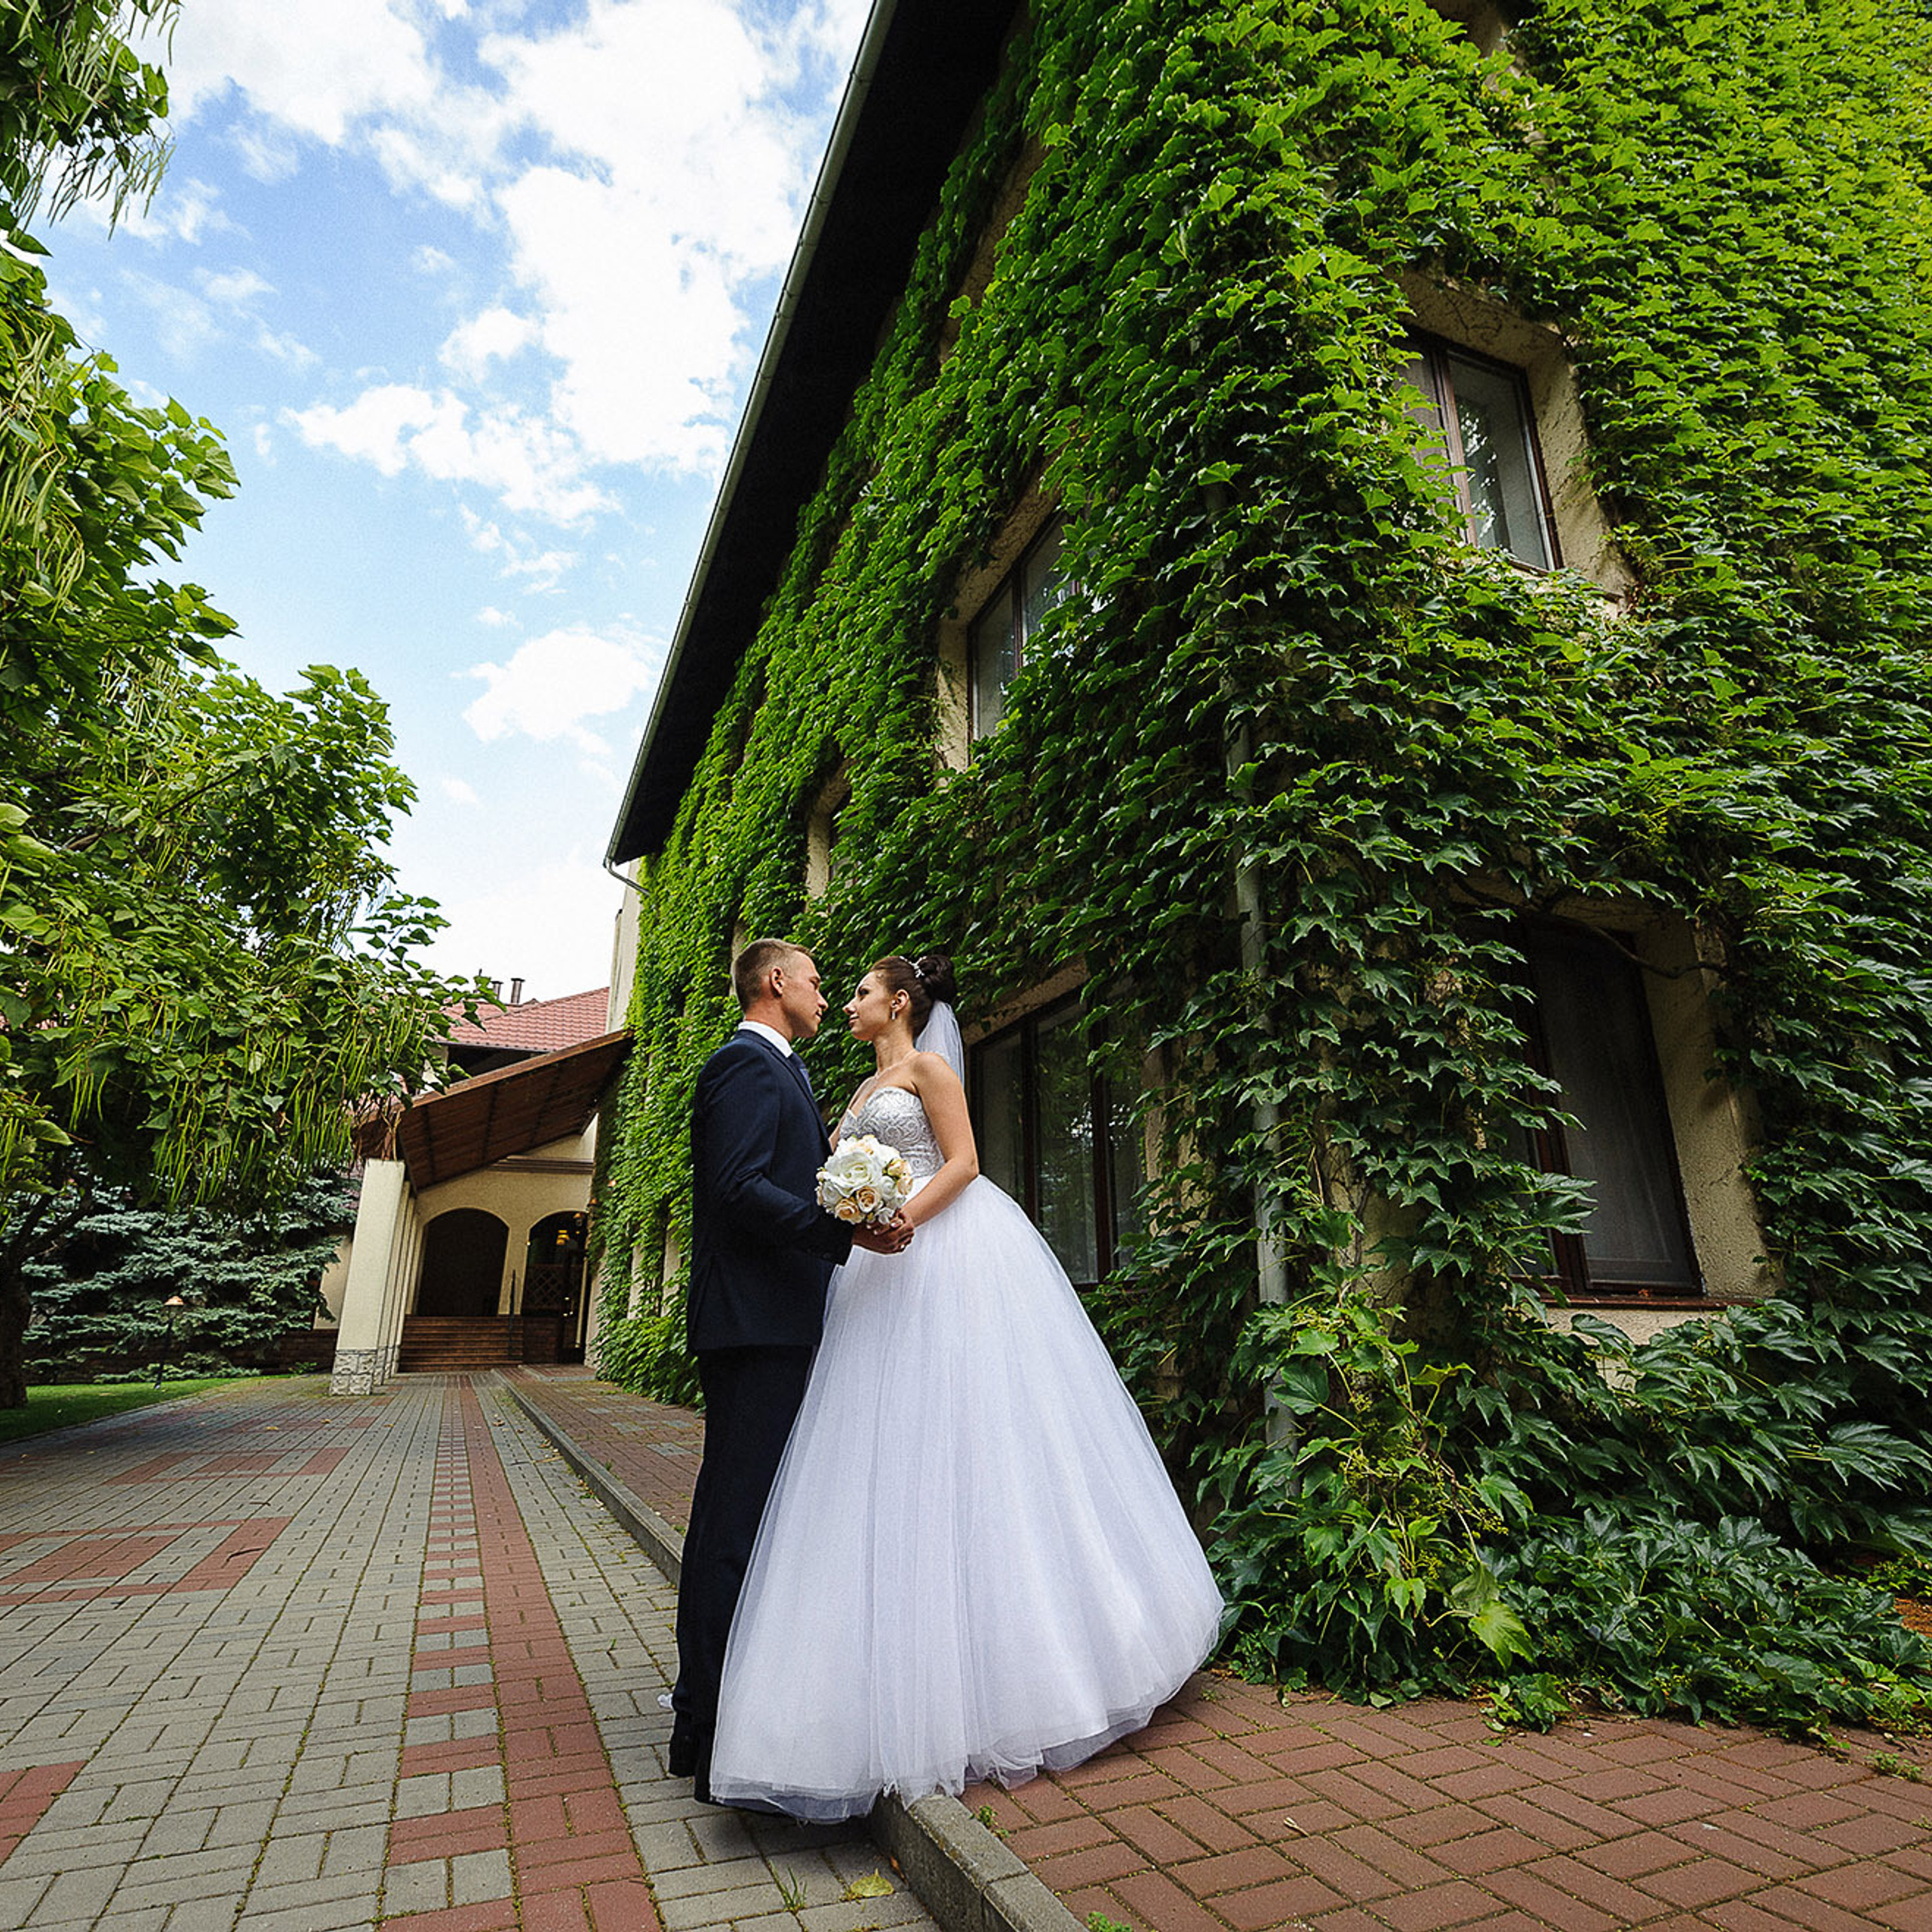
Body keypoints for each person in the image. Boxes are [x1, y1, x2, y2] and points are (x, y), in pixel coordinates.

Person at [706, 951, 1223, 1820]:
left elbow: (965, 1161)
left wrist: (899, 1218)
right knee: (879, 1456)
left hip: (943, 1256)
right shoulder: (859, 1089)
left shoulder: (928, 1069)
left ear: (899, 1003)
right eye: (840, 990)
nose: (847, 1001)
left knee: (975, 1436)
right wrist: (853, 1221)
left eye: (862, 991)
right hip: (872, 1276)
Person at [669, 938, 911, 1804]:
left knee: (753, 1513)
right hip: (754, 1324)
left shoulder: (786, 1071)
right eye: (813, 981)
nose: (822, 994)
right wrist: (841, 1233)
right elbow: (737, 1187)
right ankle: (703, 1724)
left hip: (778, 1319)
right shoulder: (744, 1064)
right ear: (775, 982)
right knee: (732, 1519)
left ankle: (723, 1703)